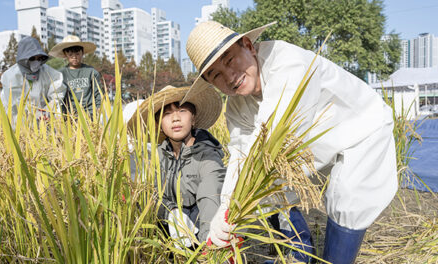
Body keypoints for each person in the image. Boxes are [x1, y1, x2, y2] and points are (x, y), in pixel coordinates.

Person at [184, 21, 398, 263]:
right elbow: (240, 156)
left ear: (248, 46)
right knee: (274, 190)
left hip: (360, 130)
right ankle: (299, 253)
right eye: (216, 75)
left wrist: (231, 206)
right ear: (211, 83)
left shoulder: (287, 63)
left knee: (348, 198)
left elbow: (271, 136)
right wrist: (226, 209)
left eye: (230, 60)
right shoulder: (236, 108)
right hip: (315, 148)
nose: (230, 76)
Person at [126, 85, 225, 247]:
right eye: (167, 114)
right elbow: (149, 194)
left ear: (193, 119)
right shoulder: (158, 156)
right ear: (159, 123)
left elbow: (210, 198)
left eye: (182, 111)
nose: (175, 119)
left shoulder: (207, 156)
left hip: (201, 236)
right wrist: (172, 212)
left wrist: (208, 245)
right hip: (169, 236)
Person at [0, 37, 65, 123]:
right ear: (23, 58)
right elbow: (15, 103)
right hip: (17, 121)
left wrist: (50, 107)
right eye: (32, 58)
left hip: (44, 121)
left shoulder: (47, 71)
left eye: (39, 59)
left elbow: (58, 88)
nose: (37, 62)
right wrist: (34, 113)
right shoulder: (11, 76)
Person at [49, 35, 102, 116]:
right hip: (70, 115)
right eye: (70, 55)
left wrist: (99, 109)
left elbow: (98, 94)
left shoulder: (91, 72)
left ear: (82, 53)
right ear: (65, 54)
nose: (74, 57)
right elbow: (57, 96)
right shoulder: (60, 74)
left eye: (77, 54)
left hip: (89, 114)